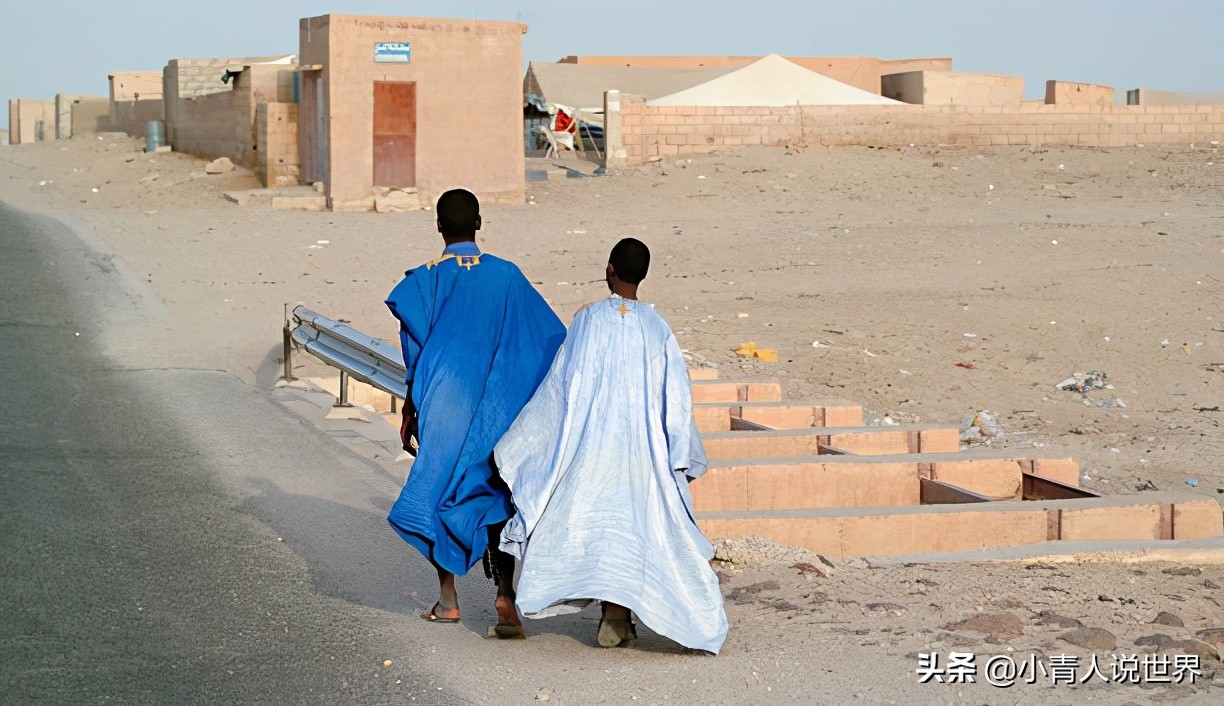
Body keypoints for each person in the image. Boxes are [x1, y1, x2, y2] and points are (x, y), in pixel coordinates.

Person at [493, 238, 728, 654]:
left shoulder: (588, 320)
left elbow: (563, 387)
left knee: (599, 526)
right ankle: (617, 616)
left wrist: (531, 441)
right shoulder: (658, 330)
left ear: (609, 271)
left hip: (593, 446)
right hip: (644, 453)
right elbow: (676, 397)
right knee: (638, 528)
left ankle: (616, 616)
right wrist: (680, 451)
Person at [384, 188, 565, 638]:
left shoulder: (423, 281)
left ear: (439, 228)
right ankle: (505, 595)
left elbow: (416, 354)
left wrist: (412, 408)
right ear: (480, 224)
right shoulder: (507, 276)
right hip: (501, 408)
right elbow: (548, 339)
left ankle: (448, 600)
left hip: (446, 405)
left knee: (436, 492)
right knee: (496, 495)